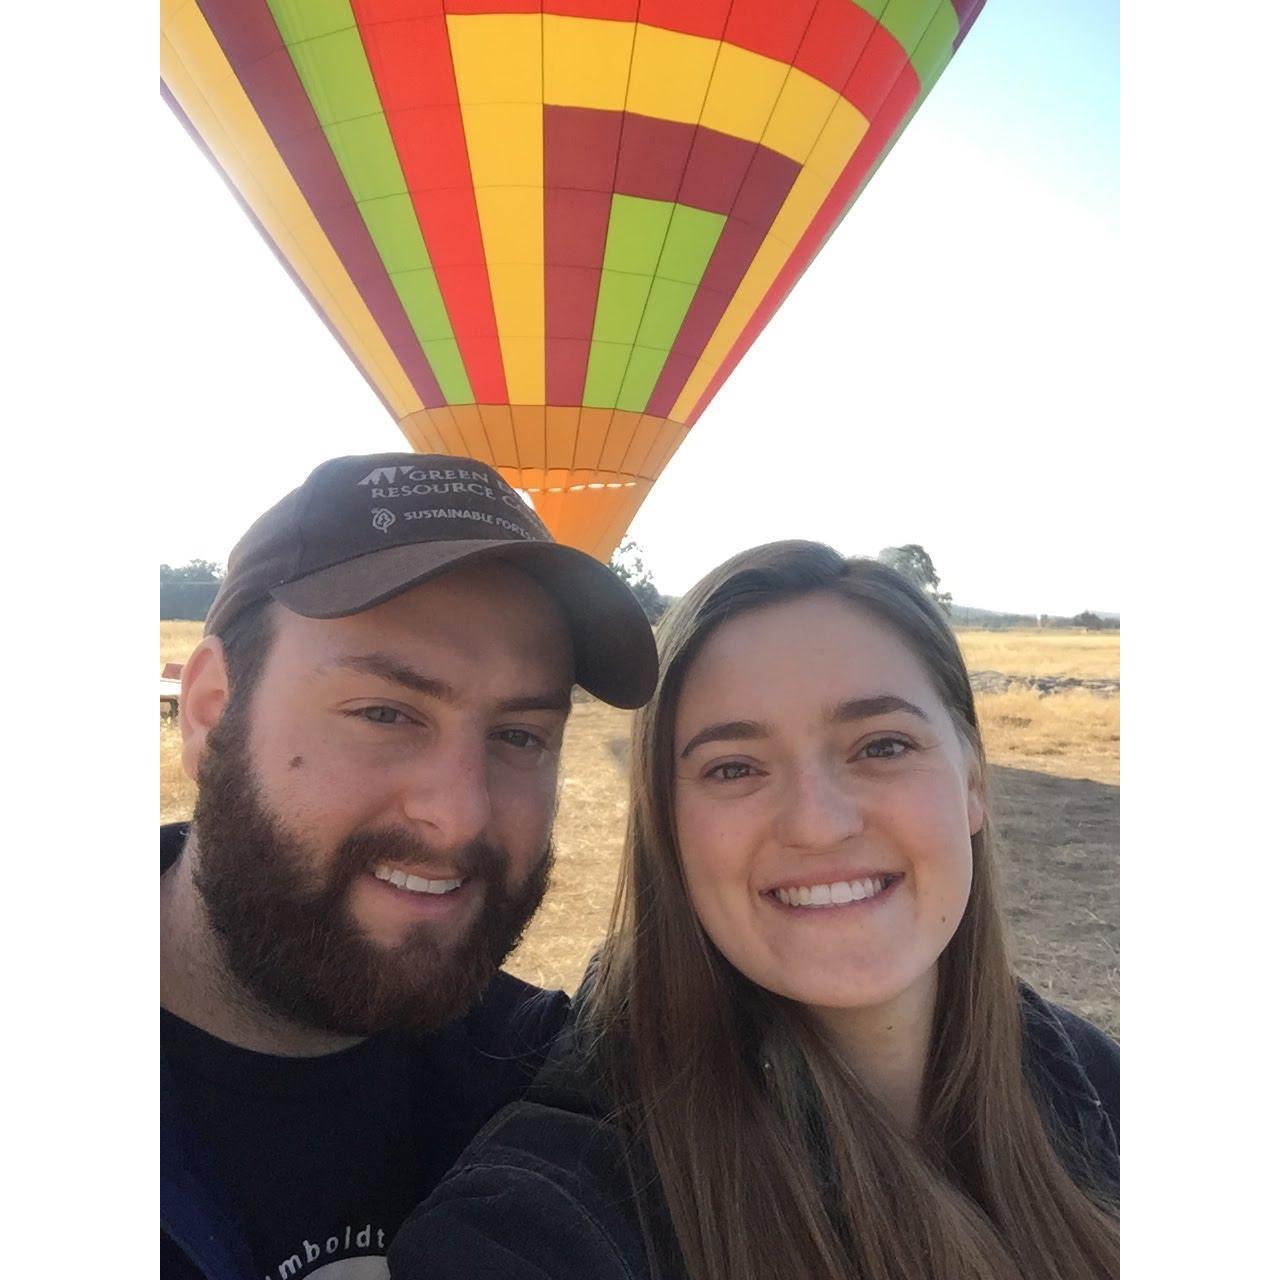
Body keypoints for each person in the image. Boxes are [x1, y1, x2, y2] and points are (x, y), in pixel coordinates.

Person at [390, 541, 1120, 1280]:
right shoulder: (550, 1213)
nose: (818, 823)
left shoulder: (1089, 1080)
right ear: (666, 828)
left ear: (973, 781)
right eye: (733, 767)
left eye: (883, 746)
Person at [160, 452, 658, 1280]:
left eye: (519, 735)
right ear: (212, 713)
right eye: (386, 713)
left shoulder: (566, 1095)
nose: (459, 814)